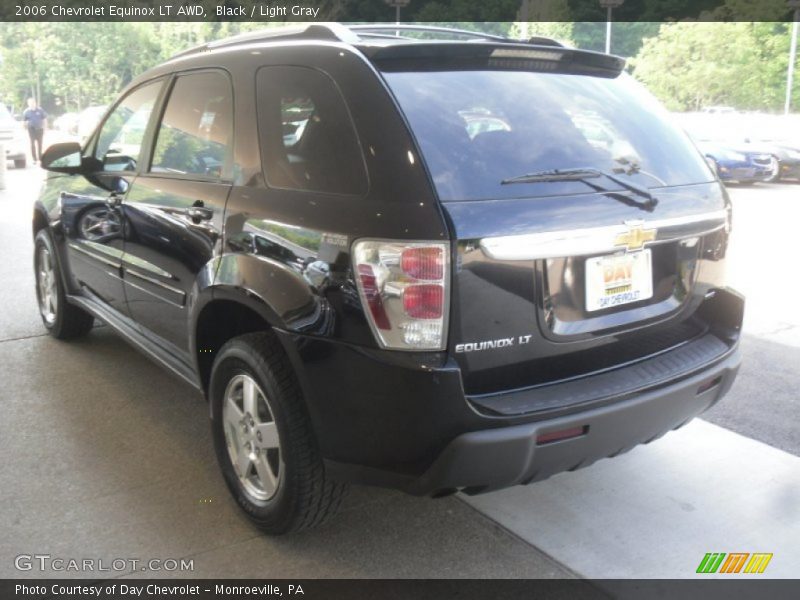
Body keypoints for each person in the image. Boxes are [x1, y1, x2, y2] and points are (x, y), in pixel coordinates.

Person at [22, 98, 47, 164]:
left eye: (33, 102)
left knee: (40, 144)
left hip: (39, 129)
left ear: (35, 103)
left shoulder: (40, 110)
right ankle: (34, 159)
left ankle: (40, 158)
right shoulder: (26, 111)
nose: (32, 104)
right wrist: (23, 128)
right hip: (31, 130)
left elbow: (44, 120)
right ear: (28, 104)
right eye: (30, 103)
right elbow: (24, 121)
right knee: (32, 144)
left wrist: (45, 129)